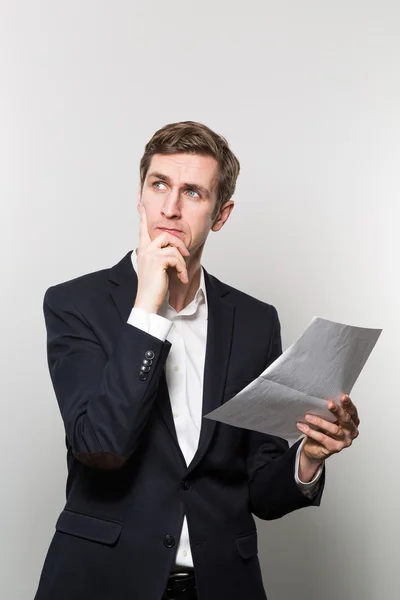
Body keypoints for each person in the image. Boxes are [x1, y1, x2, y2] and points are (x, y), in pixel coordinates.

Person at [34, 121, 359, 600]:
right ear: (140, 194)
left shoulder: (254, 321)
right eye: (159, 184)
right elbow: (100, 446)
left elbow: (260, 491)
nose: (169, 207)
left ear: (221, 214)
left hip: (221, 583)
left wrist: (308, 457)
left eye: (192, 192)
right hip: (102, 580)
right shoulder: (75, 304)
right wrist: (147, 307)